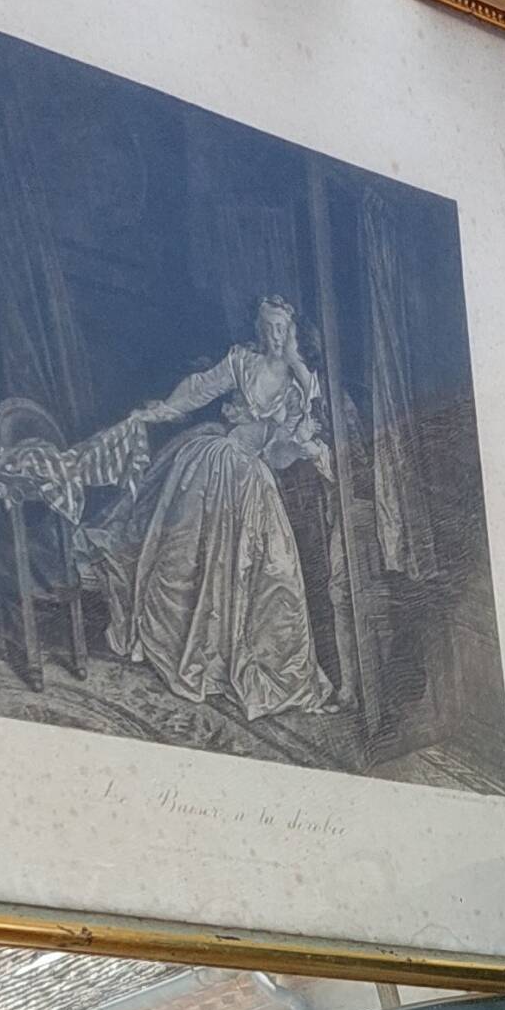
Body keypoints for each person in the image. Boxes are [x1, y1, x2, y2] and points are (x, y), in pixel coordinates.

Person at [98, 298, 337, 735]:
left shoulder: (299, 386)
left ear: (294, 332)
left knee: (273, 573)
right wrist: (160, 411)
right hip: (212, 462)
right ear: (257, 327)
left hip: (253, 482)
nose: (273, 336)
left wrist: (304, 423)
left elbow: (282, 455)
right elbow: (198, 389)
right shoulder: (241, 362)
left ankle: (239, 663)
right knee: (184, 557)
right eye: (266, 327)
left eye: (281, 329)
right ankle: (185, 651)